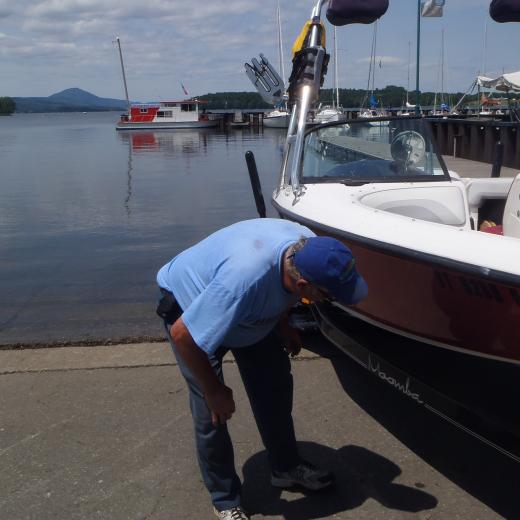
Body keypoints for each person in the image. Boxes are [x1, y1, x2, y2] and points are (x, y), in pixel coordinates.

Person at [156, 218, 368, 520]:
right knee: (212, 414)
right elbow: (183, 336)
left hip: (249, 315)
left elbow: (286, 287)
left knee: (275, 387)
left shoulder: (308, 247)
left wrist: (284, 324)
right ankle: (225, 499)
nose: (332, 302)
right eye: (330, 296)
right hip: (193, 308)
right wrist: (214, 390)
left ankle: (285, 467)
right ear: (306, 286)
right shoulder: (243, 282)